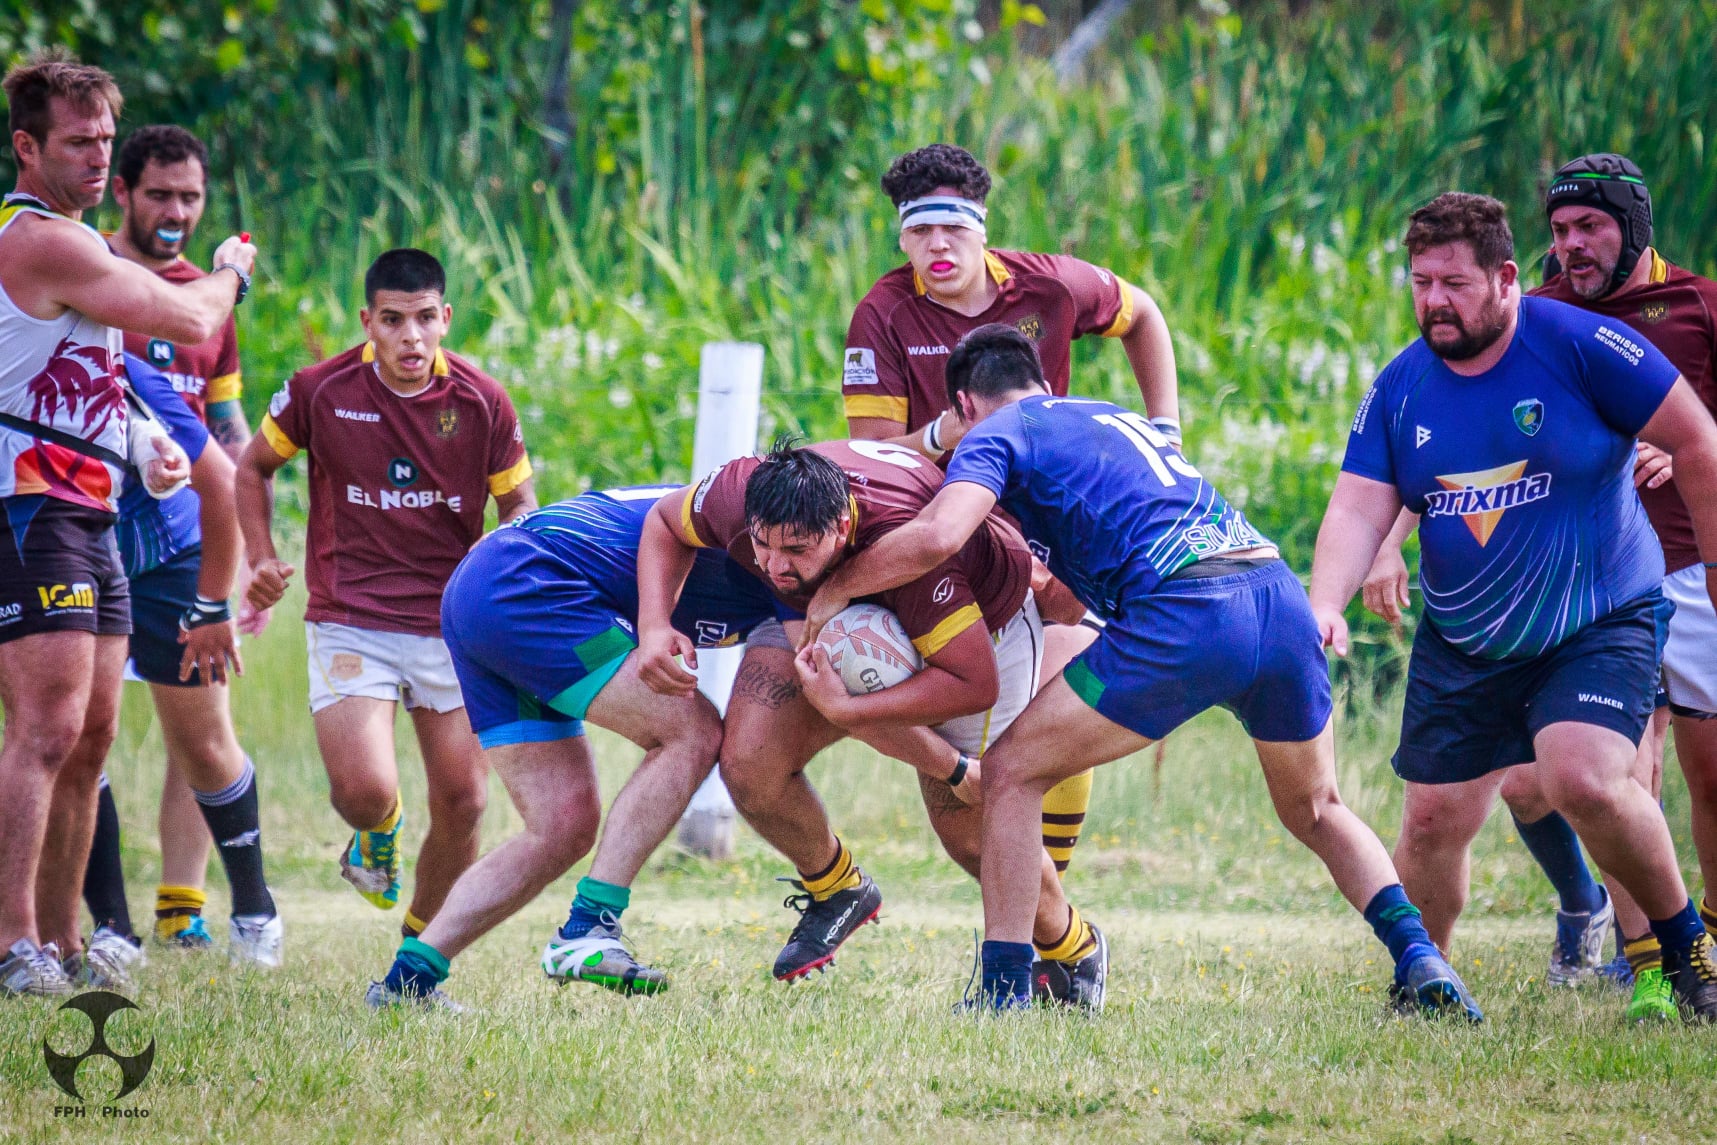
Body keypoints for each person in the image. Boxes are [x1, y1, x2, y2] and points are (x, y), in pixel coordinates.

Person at [798, 325, 1477, 1017]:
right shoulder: (1108, 417)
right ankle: (1418, 954)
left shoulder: (993, 434)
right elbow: (1067, 600)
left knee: (1007, 772)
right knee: (1317, 806)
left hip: (1185, 611)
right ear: (1041, 382)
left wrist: (838, 587)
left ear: (965, 404)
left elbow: (939, 534)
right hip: (1273, 595)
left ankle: (1001, 992)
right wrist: (1039, 575)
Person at [1309, 192, 1717, 1022]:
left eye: (1452, 283)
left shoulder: (1583, 344)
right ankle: (1423, 980)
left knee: (1582, 778)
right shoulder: (1399, 386)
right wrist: (1324, 603)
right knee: (1430, 818)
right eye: (1419, 282)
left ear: (1504, 278)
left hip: (1596, 613)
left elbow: (1697, 438)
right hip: (1466, 634)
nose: (1432, 301)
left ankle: (1685, 953)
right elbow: (1358, 507)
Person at [637, 440, 1147, 1011]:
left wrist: (860, 716)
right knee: (751, 760)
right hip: (837, 611)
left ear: (840, 523)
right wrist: (654, 623)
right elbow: (663, 520)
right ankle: (838, 891)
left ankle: (1073, 950)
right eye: (761, 546)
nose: (776, 566)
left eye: (796, 550)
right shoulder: (743, 492)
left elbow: (974, 682)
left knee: (970, 829)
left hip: (983, 626)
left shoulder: (916, 563)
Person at [843, 142, 1185, 879]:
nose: (937, 245)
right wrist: (944, 434)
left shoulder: (1049, 286)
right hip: (950, 530)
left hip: (1049, 515)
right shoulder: (881, 312)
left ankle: (1051, 896)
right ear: (901, 236)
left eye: (953, 227)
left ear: (981, 226)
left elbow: (1145, 315)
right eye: (918, 230)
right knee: (961, 795)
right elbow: (871, 457)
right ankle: (1046, 912)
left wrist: (1166, 434)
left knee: (1060, 666)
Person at [0, 50, 252, 997]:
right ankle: (10, 939)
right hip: (30, 508)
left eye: (106, 137)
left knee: (95, 732)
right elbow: (190, 320)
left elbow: (84, 368)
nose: (98, 156)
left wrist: (142, 437)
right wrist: (228, 273)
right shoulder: (43, 239)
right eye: (77, 141)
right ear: (26, 147)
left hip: (89, 503)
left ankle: (63, 940)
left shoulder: (77, 241)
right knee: (45, 727)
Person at [366, 487, 780, 1008]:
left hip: (487, 591)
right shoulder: (770, 527)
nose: (785, 563)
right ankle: (588, 929)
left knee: (562, 824)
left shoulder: (786, 543)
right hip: (527, 585)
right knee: (693, 732)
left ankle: (406, 984)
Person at [237, 248, 534, 941]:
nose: (412, 337)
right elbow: (252, 468)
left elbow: (520, 508)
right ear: (367, 320)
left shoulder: (482, 401)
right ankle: (380, 829)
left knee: (465, 800)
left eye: (426, 318)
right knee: (365, 792)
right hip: (352, 618)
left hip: (452, 624)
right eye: (394, 321)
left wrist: (509, 589)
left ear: (446, 318)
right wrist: (259, 556)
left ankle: (419, 953)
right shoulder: (319, 389)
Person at [89, 123, 268, 952]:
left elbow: (226, 425)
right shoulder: (84, 273)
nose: (175, 211)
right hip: (82, 517)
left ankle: (185, 905)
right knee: (78, 729)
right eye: (159, 193)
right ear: (121, 191)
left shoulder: (211, 296)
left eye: (190, 196)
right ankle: (102, 920)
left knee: (194, 726)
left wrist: (250, 544)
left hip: (186, 529)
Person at [76, 349, 280, 984]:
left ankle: (255, 909)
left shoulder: (123, 370)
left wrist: (215, 602)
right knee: (75, 739)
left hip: (168, 554)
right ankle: (112, 927)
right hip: (68, 557)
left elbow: (222, 476)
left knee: (202, 742)